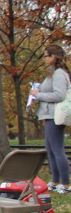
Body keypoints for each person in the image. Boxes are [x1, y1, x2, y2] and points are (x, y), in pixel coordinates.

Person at [30, 44, 70, 195]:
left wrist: (39, 95)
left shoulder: (59, 74)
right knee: (51, 150)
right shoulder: (52, 73)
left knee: (57, 149)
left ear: (53, 57)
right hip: (48, 115)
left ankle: (66, 184)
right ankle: (55, 181)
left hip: (55, 115)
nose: (44, 59)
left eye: (46, 56)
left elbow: (59, 95)